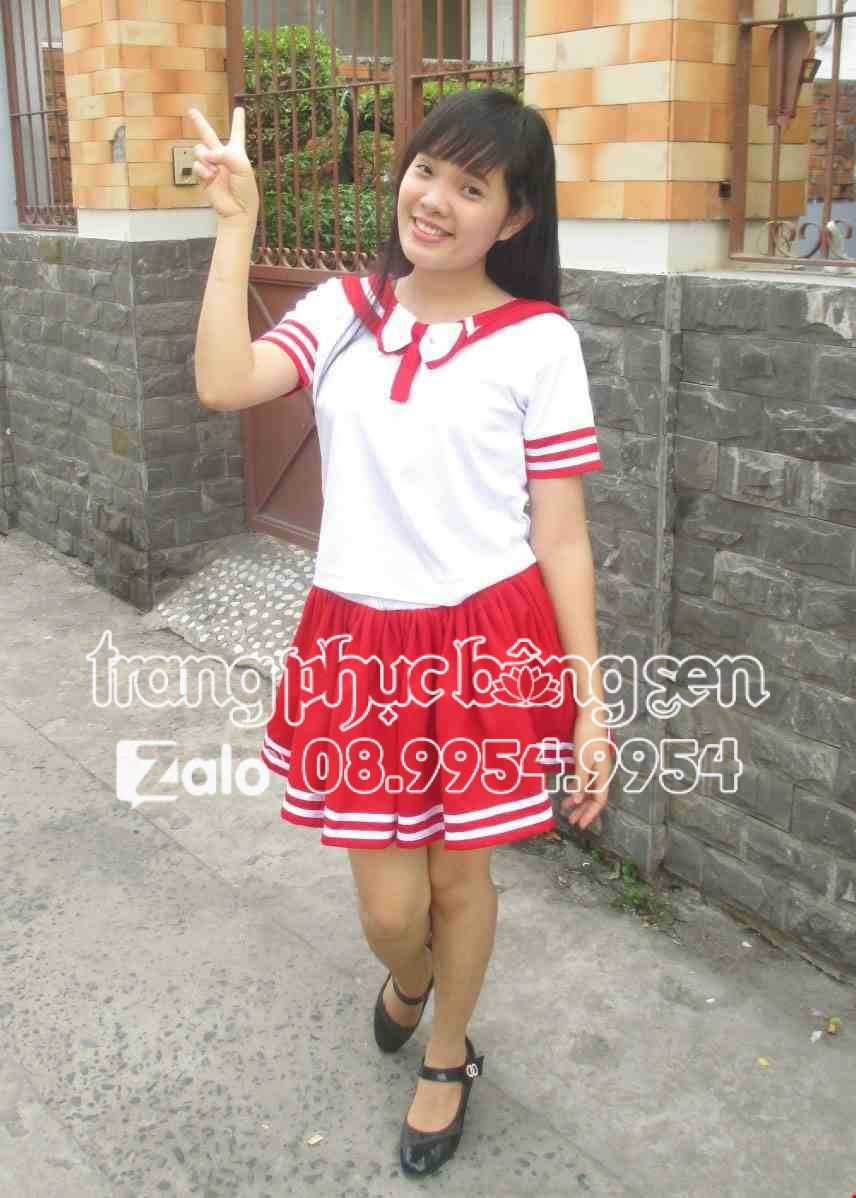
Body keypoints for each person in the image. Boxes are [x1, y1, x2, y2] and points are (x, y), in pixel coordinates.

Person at [190, 88, 617, 1178]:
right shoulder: (344, 310)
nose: (434, 199)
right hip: (356, 641)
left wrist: (591, 707)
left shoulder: (539, 342)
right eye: (427, 169)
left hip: (484, 642)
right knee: (390, 907)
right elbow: (224, 382)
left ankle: (448, 1051)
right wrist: (236, 228)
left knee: (459, 880)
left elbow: (561, 534)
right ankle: (412, 974)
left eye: (472, 187)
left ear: (515, 218)